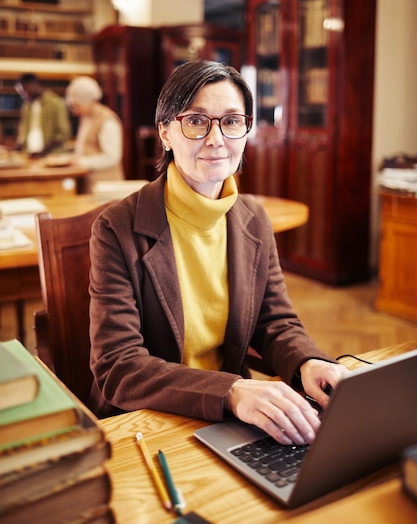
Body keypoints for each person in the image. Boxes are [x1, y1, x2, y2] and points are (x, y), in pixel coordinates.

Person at [89, 60, 347, 445]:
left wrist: (308, 361)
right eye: (196, 121)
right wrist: (230, 391)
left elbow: (274, 320)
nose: (216, 139)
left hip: (231, 421)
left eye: (231, 121)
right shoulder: (117, 228)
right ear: (165, 133)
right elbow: (119, 367)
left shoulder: (253, 219)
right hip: (150, 423)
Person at [65, 76, 124, 193]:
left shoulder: (107, 120)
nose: (75, 111)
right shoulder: (86, 118)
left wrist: (81, 162)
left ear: (88, 101)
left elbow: (112, 157)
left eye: (77, 105)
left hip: (105, 188)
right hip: (88, 183)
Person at [14, 73, 70, 157]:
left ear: (33, 85)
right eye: (20, 93)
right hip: (29, 155)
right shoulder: (26, 107)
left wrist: (42, 153)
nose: (23, 96)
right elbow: (23, 133)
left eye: (24, 91)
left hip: (52, 156)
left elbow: (62, 134)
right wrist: (14, 149)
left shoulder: (56, 103)